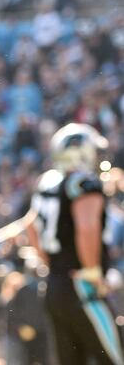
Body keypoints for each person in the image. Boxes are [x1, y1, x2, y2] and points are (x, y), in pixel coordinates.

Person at [26, 123, 124, 365]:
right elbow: (87, 227)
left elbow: (30, 227)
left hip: (54, 285)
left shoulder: (47, 182)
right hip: (81, 286)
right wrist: (92, 273)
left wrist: (53, 264)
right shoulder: (83, 184)